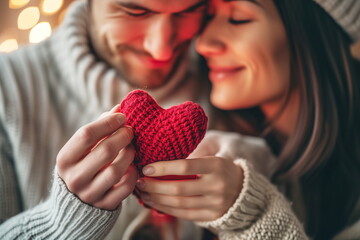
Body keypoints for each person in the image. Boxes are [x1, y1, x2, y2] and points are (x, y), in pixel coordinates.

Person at [135, 0, 360, 239]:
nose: (203, 44)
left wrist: (252, 217)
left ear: (316, 36)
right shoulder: (214, 151)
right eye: (209, 18)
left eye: (239, 19)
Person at [0, 0, 217, 239]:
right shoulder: (7, 87)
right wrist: (61, 223)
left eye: (189, 10)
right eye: (135, 11)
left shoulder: (227, 73)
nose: (161, 49)